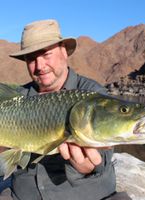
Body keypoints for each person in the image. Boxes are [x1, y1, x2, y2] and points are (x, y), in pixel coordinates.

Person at [0, 19, 131, 200]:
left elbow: (104, 157)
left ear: (64, 51)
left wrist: (89, 167)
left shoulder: (93, 96)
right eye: (31, 58)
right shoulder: (17, 97)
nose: (39, 66)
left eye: (46, 54)